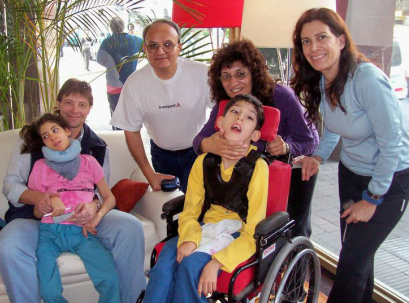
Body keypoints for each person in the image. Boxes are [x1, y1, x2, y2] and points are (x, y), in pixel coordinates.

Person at [291, 8, 409, 303]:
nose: (314, 47)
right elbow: (333, 126)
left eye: (321, 38)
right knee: (358, 258)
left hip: (390, 180)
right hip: (351, 173)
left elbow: (392, 143)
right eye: (306, 41)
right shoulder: (324, 78)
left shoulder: (366, 79)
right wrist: (317, 157)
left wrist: (373, 199)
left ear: (341, 40)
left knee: (351, 264)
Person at [0, 78, 146, 303]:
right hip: (33, 218)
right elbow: (11, 184)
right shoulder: (32, 138)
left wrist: (94, 207)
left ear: (89, 110)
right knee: (7, 246)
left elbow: (100, 191)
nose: (75, 110)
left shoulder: (97, 147)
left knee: (130, 227)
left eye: (81, 105)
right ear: (58, 104)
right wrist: (41, 198)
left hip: (82, 218)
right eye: (69, 103)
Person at [143, 94, 269, 303]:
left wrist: (217, 262)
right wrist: (190, 239)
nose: (239, 119)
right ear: (220, 122)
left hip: (236, 232)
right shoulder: (203, 162)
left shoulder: (257, 167)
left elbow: (254, 228)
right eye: (235, 112)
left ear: (255, 134)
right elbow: (190, 211)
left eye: (248, 118)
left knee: (190, 267)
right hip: (204, 226)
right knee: (163, 267)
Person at [193, 39, 319, 238]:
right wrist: (210, 144)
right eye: (226, 76)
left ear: (254, 73)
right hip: (247, 179)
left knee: (294, 231)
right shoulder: (226, 106)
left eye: (241, 74)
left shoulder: (282, 97)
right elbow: (199, 140)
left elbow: (310, 140)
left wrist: (287, 147)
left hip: (286, 173)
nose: (233, 83)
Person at [20, 113, 119, 303]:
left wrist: (96, 218)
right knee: (48, 291)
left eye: (55, 130)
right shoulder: (40, 166)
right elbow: (36, 212)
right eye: (46, 136)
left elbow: (109, 198)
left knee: (110, 279)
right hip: (50, 233)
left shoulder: (89, 162)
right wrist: (49, 200)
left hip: (82, 232)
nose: (52, 137)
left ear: (67, 131)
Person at [111, 19, 211, 193]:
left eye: (167, 44)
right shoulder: (135, 83)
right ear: (145, 49)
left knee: (199, 209)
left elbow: (223, 113)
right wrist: (148, 173)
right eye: (153, 46)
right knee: (169, 211)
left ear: (179, 47)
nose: (160, 51)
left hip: (199, 152)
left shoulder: (203, 73)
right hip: (162, 157)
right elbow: (131, 130)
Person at [97, 17, 143, 117]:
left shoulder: (106, 43)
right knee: (132, 115)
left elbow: (99, 60)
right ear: (123, 26)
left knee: (115, 114)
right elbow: (148, 52)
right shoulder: (136, 40)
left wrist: (111, 64)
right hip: (131, 84)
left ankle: (117, 132)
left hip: (113, 85)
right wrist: (135, 61)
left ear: (110, 27)